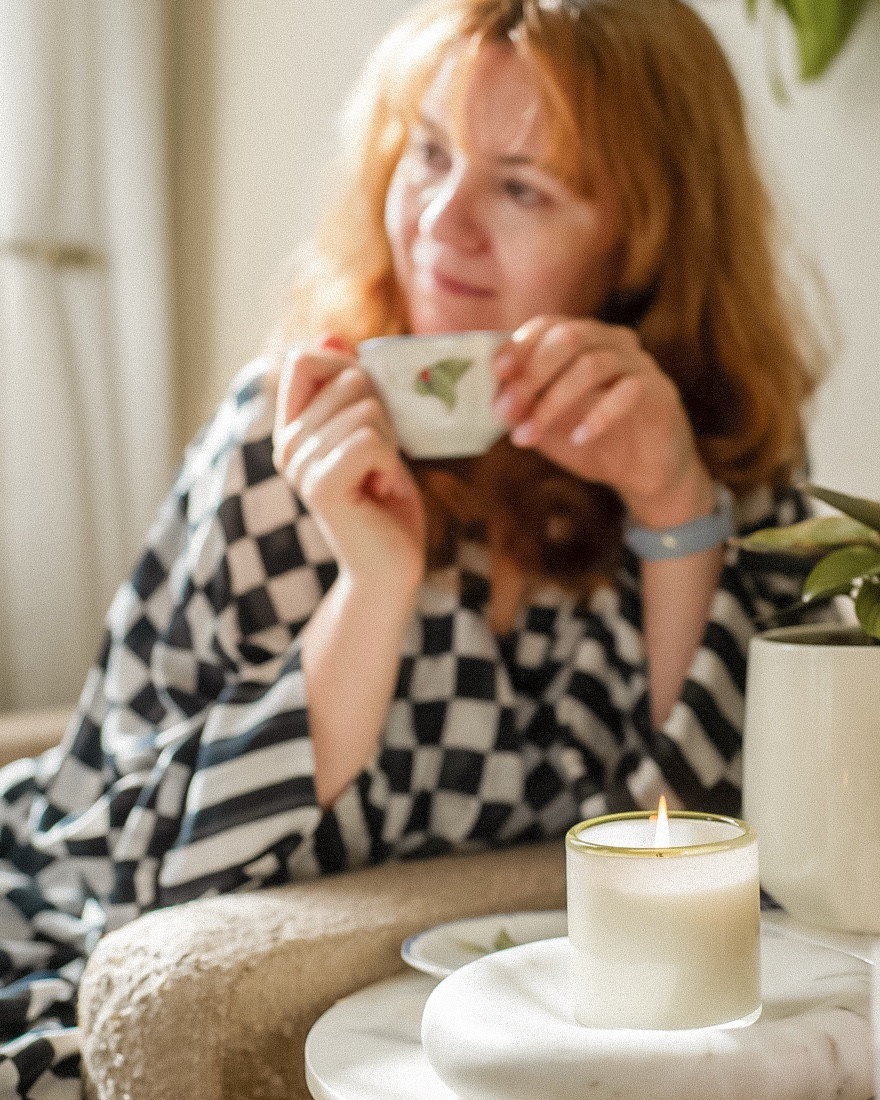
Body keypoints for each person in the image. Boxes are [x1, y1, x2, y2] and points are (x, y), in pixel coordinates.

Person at [0, 0, 832, 1093]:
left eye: (521, 186)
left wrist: (676, 517)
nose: (442, 220)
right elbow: (131, 871)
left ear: (645, 237)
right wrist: (371, 587)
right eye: (428, 154)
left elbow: (741, 881)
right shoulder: (289, 435)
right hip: (66, 946)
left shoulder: (729, 476)